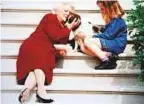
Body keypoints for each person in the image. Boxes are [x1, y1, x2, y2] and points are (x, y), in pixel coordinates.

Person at [17, 3, 80, 103]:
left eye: (70, 13)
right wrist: (69, 27)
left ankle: (27, 88)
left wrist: (69, 28)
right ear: (57, 11)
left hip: (39, 50)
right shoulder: (50, 17)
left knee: (34, 70)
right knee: (41, 62)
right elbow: (55, 36)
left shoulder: (62, 26)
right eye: (65, 11)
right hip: (34, 45)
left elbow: (59, 40)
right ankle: (41, 90)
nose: (68, 14)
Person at [76, 0, 127, 69]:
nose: (101, 11)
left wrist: (90, 36)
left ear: (110, 8)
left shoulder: (118, 20)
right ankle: (109, 56)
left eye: (102, 9)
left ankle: (106, 60)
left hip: (117, 44)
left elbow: (108, 35)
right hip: (112, 43)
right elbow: (109, 31)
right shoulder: (112, 21)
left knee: (87, 40)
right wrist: (100, 29)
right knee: (83, 47)